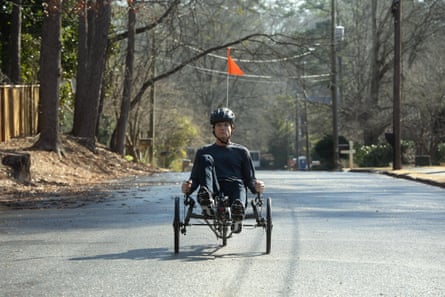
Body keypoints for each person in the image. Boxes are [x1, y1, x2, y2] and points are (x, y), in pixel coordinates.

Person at [181, 107, 265, 233]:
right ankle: (207, 203)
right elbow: (195, 178)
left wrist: (257, 186)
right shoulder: (203, 151)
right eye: (219, 125)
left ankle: (238, 212)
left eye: (226, 125)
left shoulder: (242, 151)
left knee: (239, 183)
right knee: (206, 158)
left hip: (235, 189)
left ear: (232, 128)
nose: (222, 128)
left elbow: (250, 180)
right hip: (213, 189)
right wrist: (188, 186)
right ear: (213, 129)